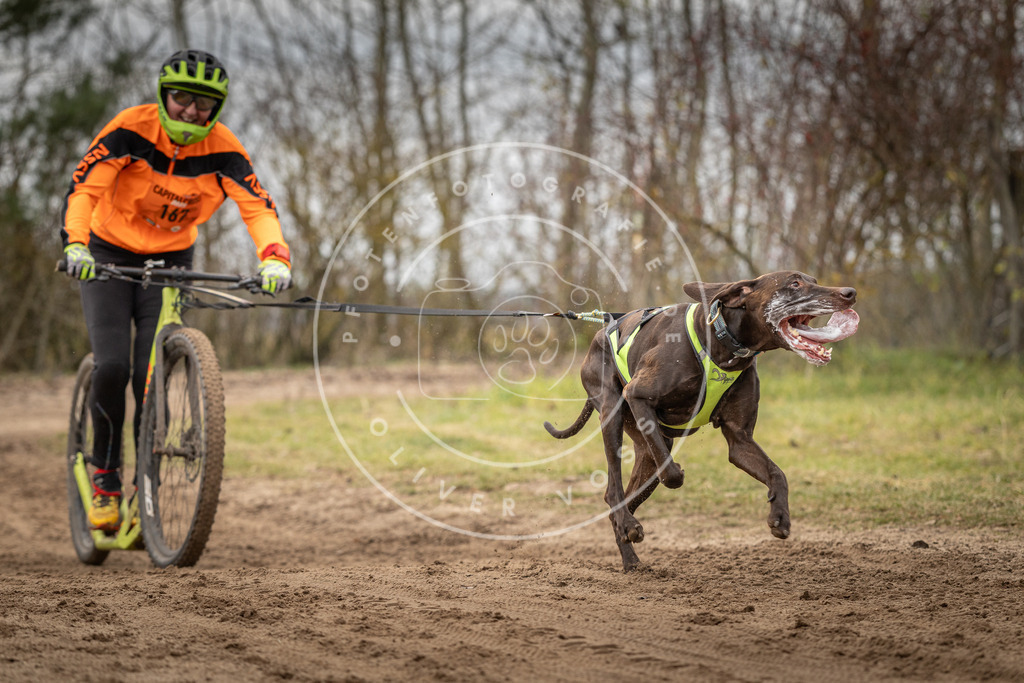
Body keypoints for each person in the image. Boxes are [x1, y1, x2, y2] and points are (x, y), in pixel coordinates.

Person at [61, 49, 292, 531]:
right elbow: (84, 189)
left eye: (203, 104)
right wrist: (77, 245)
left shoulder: (225, 149)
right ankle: (104, 476)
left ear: (218, 108)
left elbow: (257, 207)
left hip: (170, 260)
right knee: (113, 366)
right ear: (164, 95)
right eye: (182, 98)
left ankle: (148, 487)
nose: (191, 110)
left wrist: (273, 256)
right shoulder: (130, 128)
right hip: (107, 251)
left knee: (151, 374)